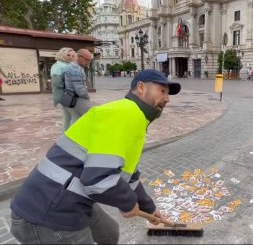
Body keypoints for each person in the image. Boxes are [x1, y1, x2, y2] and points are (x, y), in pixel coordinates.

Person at [10, 69, 181, 244]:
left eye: (168, 94)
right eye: (162, 91)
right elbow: (97, 180)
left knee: (109, 234)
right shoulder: (126, 114)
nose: (167, 98)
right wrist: (128, 203)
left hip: (68, 200)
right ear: (141, 88)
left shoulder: (134, 117)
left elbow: (130, 176)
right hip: (48, 212)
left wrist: (149, 208)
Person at [64, 49, 92, 126]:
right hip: (77, 99)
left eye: (89, 60)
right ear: (79, 57)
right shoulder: (75, 69)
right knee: (92, 115)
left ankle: (71, 137)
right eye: (87, 60)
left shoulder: (72, 67)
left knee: (76, 120)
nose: (87, 62)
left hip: (70, 98)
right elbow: (79, 89)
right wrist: (87, 96)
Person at [51, 47, 76, 130]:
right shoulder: (60, 66)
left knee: (67, 117)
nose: (71, 57)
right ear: (62, 55)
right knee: (75, 116)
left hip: (66, 95)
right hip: (66, 95)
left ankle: (66, 135)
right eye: (68, 55)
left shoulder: (64, 65)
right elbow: (56, 82)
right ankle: (71, 135)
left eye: (73, 55)